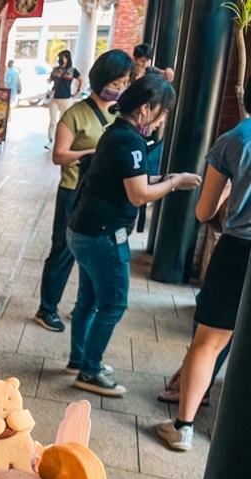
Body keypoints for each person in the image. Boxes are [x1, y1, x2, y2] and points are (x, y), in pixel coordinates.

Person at [64, 74, 201, 396]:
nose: (162, 119)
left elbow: (130, 177)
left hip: (83, 230)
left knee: (88, 301)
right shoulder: (130, 141)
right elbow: (138, 194)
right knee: (112, 305)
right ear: (145, 109)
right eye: (162, 112)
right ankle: (90, 371)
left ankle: (79, 359)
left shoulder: (115, 134)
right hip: (104, 236)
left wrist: (164, 176)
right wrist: (174, 184)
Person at [157, 86, 251, 451]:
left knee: (208, 343)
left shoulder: (235, 140)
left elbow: (203, 212)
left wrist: (230, 190)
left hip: (238, 251)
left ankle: (183, 426)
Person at [34, 49, 134, 333]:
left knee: (94, 252)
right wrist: (94, 151)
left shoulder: (121, 114)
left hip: (104, 196)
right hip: (73, 191)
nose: (120, 89)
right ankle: (47, 308)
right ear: (102, 79)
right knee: (63, 249)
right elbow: (59, 155)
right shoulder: (75, 113)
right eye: (116, 83)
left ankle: (83, 306)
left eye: (125, 83)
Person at [47, 50, 84, 144]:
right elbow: (50, 80)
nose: (60, 60)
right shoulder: (55, 70)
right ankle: (51, 139)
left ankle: (60, 140)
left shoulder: (72, 71)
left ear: (67, 59)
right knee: (52, 120)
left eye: (62, 58)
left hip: (66, 99)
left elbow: (81, 79)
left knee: (63, 121)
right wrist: (49, 80)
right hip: (54, 98)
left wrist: (77, 92)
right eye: (59, 58)